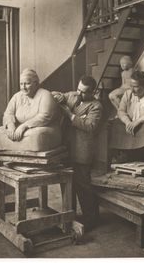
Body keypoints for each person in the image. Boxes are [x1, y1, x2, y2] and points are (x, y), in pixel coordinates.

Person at [52, 75, 103, 231]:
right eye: (79, 89)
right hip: (67, 148)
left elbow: (89, 126)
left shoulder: (96, 106)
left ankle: (91, 219)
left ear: (92, 92)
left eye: (84, 92)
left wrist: (69, 114)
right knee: (67, 185)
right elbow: (57, 94)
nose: (79, 94)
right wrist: (58, 95)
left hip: (82, 151)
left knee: (83, 186)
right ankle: (70, 216)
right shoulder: (73, 95)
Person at [0, 68, 62, 152]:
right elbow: (8, 113)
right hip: (18, 127)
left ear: (36, 84)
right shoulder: (17, 96)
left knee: (36, 135)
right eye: (21, 84)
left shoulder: (45, 95)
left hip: (43, 127)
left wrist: (24, 126)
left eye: (27, 84)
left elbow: (44, 116)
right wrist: (10, 125)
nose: (23, 87)